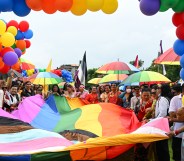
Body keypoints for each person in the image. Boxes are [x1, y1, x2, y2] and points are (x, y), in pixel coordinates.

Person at [155, 84, 171, 161]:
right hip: (160, 123)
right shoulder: (161, 98)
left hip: (161, 124)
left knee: (162, 146)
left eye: (159, 88)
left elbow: (163, 113)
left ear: (162, 90)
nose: (157, 89)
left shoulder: (163, 99)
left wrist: (153, 121)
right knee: (160, 146)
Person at [168, 84, 183, 161]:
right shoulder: (175, 99)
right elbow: (171, 116)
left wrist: (177, 117)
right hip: (178, 134)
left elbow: (173, 118)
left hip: (177, 132)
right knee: (177, 156)